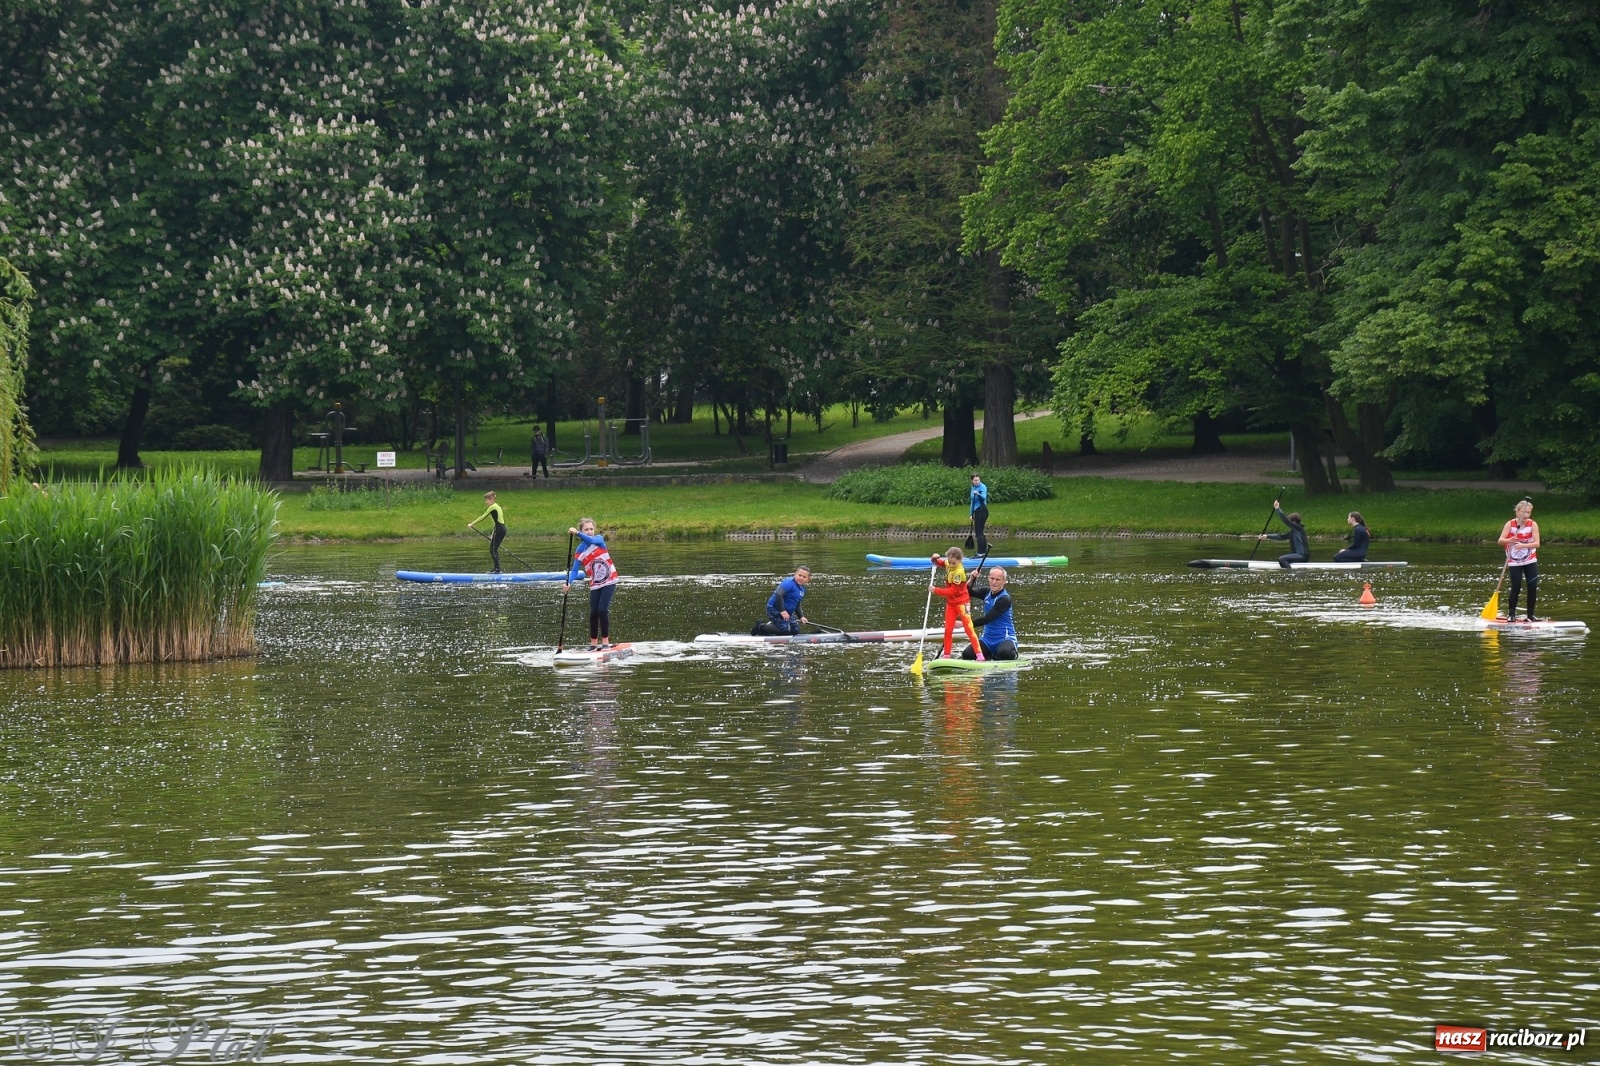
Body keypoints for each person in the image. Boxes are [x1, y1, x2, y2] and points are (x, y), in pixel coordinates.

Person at [566, 517, 620, 648]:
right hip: (595, 583)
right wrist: (568, 583)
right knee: (593, 613)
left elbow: (590, 539)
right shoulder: (580, 550)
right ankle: (593, 644)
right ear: (582, 530)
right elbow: (574, 571)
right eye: (586, 529)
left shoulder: (598, 540)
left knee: (602, 610)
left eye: (591, 529)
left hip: (609, 580)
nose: (589, 531)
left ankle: (605, 643)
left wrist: (578, 533)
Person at [931, 546, 984, 660]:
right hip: (951, 604)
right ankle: (947, 655)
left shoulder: (959, 573)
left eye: (953, 563)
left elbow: (952, 591)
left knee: (969, 629)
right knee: (948, 630)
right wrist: (935, 559)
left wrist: (935, 590)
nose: (950, 565)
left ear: (960, 560)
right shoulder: (949, 563)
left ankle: (979, 655)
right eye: (949, 562)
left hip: (962, 604)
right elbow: (941, 563)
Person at [960, 566, 1018, 661]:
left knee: (1004, 654)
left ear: (1004, 581)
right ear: (988, 579)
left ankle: (1010, 653)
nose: (994, 582)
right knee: (967, 654)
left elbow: (987, 619)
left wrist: (964, 623)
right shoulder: (986, 592)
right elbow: (966, 592)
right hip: (987, 640)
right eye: (992, 578)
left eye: (998, 579)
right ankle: (990, 656)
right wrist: (971, 578)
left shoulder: (1005, 599)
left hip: (1005, 638)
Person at [1497, 498, 1541, 622]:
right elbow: (1500, 541)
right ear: (1517, 511)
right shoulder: (1510, 524)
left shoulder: (1533, 524)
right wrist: (1509, 540)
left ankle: (1530, 615)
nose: (1525, 515)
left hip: (1530, 560)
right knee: (1516, 586)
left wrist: (1524, 545)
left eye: (1528, 512)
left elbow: (1537, 544)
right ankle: (1511, 615)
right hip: (1514, 561)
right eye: (1523, 512)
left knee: (1532, 586)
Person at [757, 566, 811, 636]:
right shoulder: (789, 583)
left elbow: (797, 603)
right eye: (799, 575)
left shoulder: (802, 589)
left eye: (804, 577)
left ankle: (774, 627)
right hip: (774, 609)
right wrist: (782, 611)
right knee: (785, 630)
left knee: (795, 630)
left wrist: (801, 617)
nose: (801, 578)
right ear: (795, 574)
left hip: (787, 612)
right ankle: (761, 627)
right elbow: (779, 594)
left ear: (808, 580)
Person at [1258, 500, 1309, 567]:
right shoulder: (1293, 532)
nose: (1289, 525)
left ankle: (1289, 574)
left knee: (1282, 559)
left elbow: (1286, 521)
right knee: (1283, 558)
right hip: (1298, 555)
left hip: (1302, 555)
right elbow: (1281, 537)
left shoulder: (1298, 528)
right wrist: (1267, 536)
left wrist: (1277, 509)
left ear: (1293, 522)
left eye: (1290, 522)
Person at [467, 491, 507, 573]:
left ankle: (497, 569)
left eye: (486, 500)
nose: (485, 502)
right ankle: (496, 569)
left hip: (499, 530)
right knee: (493, 549)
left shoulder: (493, 507)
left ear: (491, 500)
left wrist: (472, 524)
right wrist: (493, 535)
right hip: (501, 529)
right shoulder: (498, 507)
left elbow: (483, 516)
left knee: (493, 550)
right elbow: (497, 523)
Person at [969, 473, 990, 555]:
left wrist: (978, 494)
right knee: (979, 531)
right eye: (975, 480)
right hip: (977, 511)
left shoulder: (982, 487)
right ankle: (983, 553)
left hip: (982, 509)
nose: (977, 482)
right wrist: (971, 514)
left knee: (979, 532)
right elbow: (972, 502)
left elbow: (984, 497)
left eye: (978, 480)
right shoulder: (973, 487)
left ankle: (980, 553)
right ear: (972, 481)